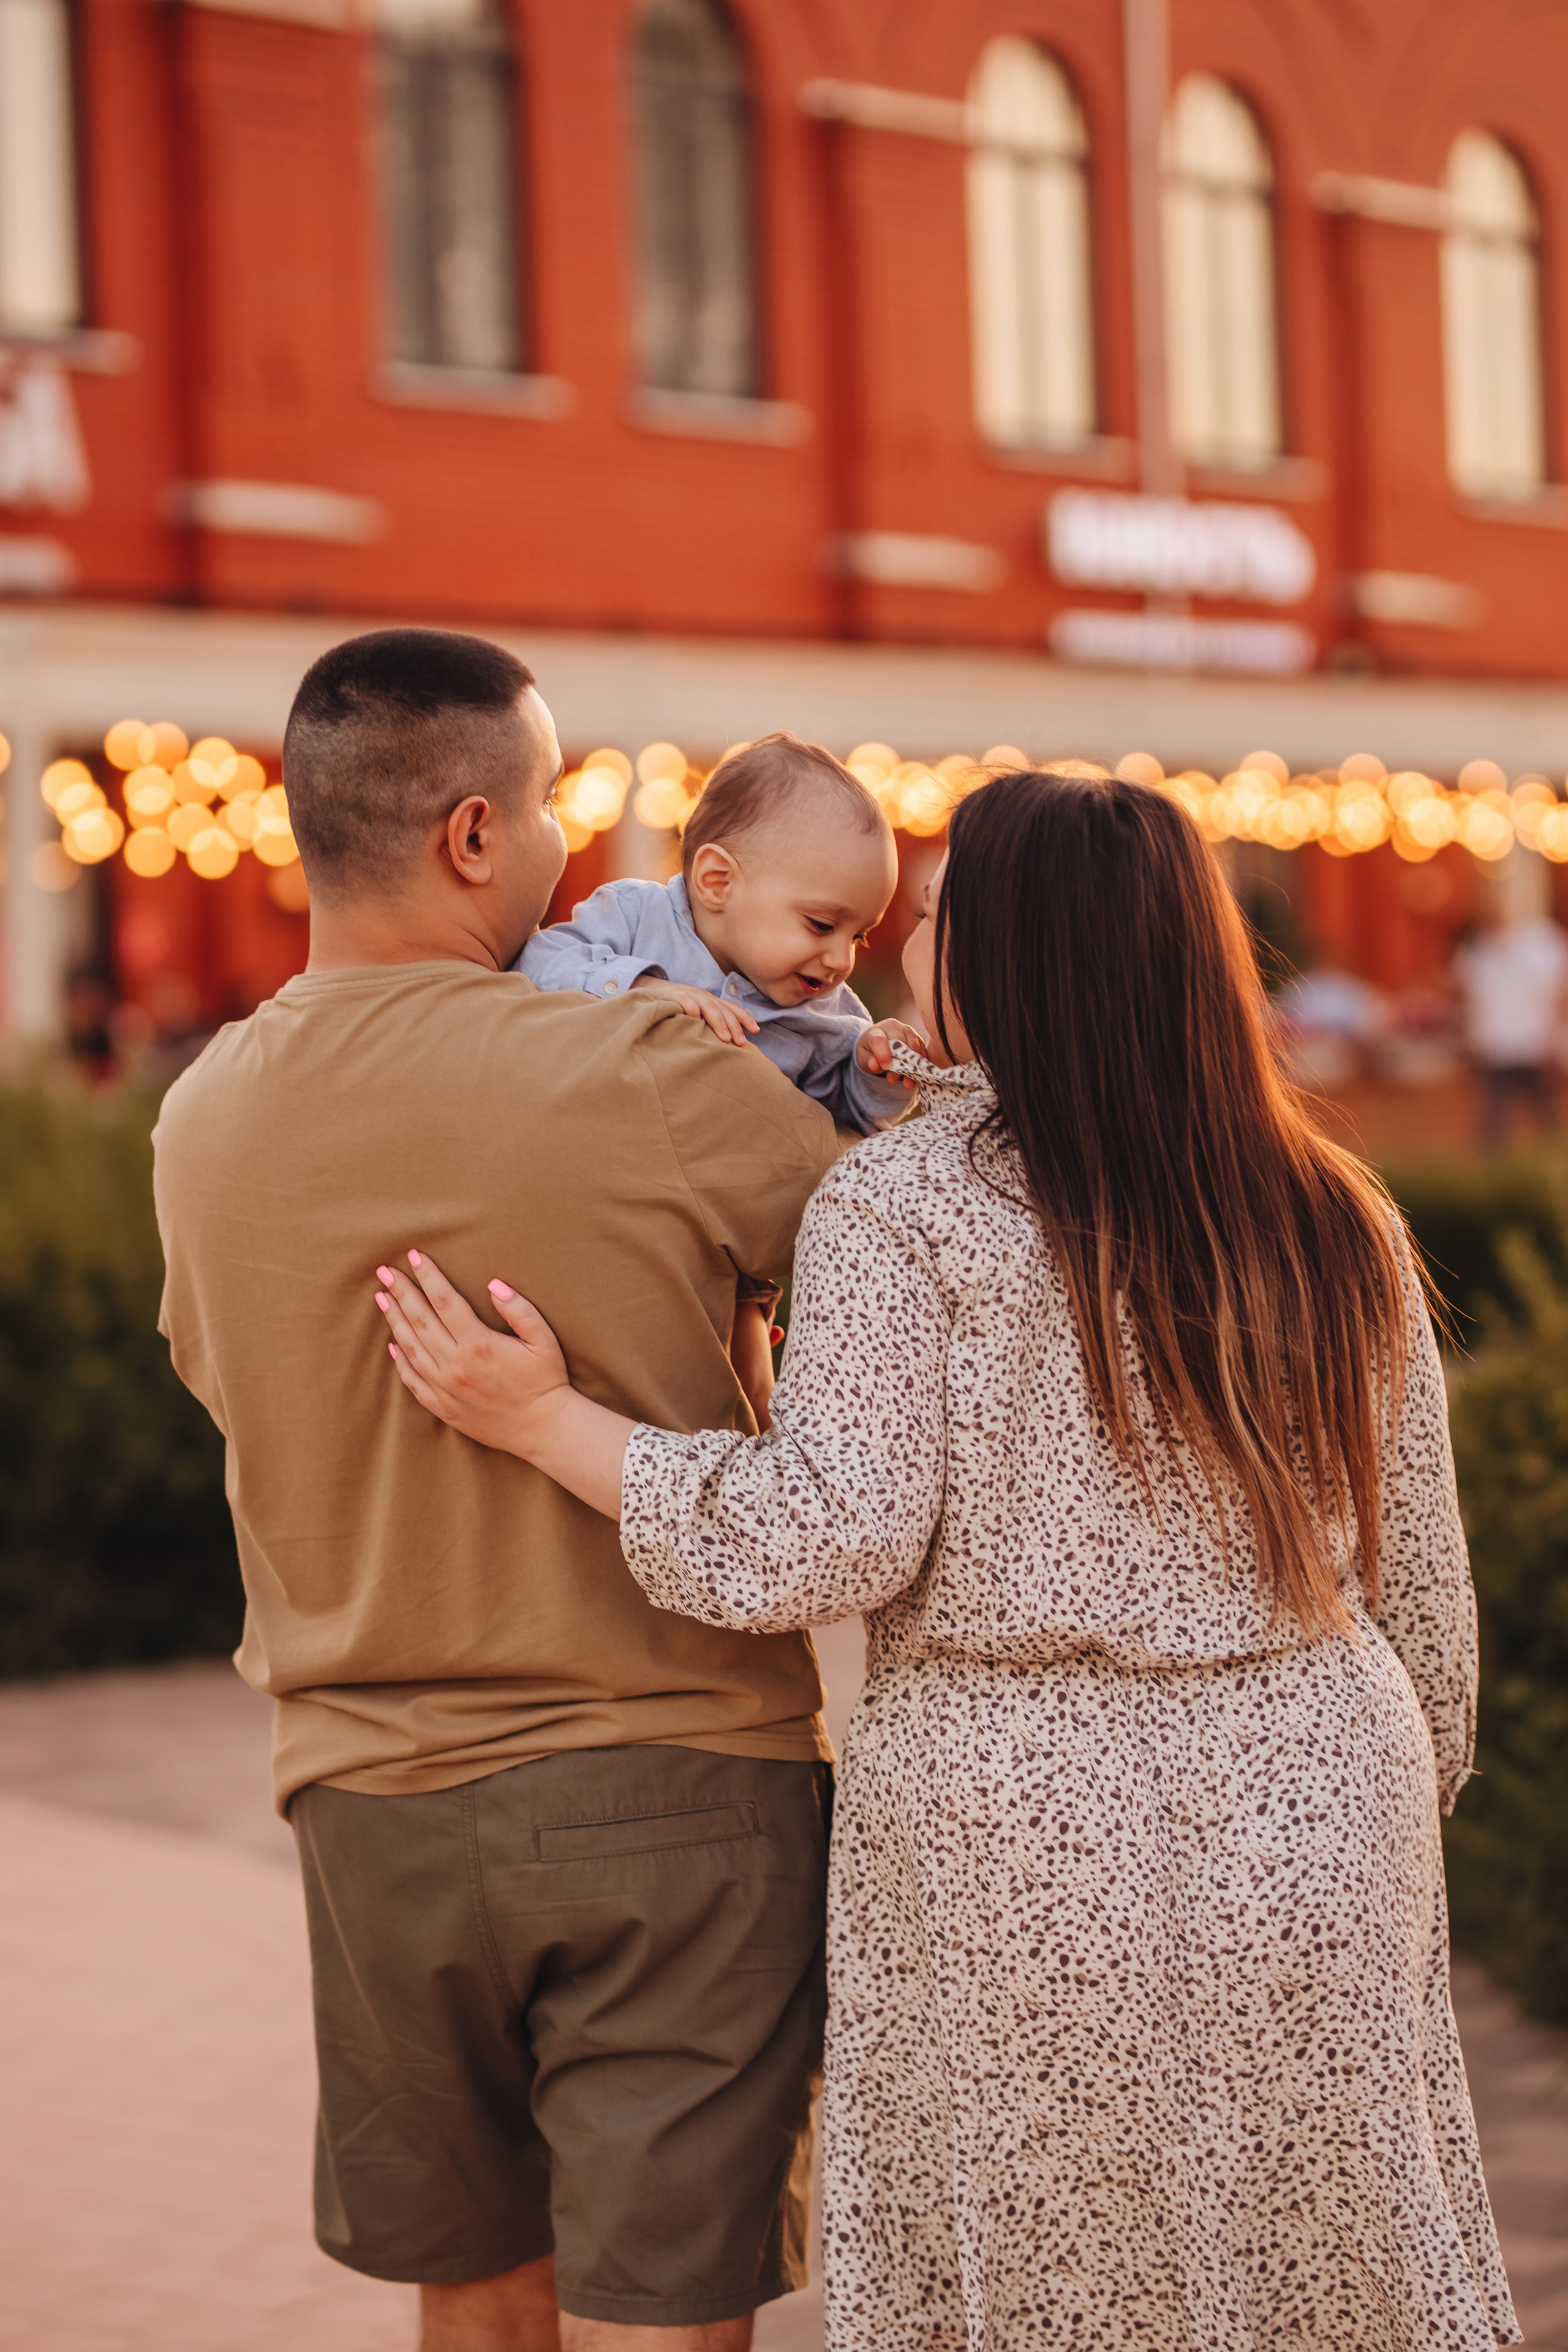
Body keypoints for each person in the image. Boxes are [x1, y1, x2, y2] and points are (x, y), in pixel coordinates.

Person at [375, 765, 1518, 2351]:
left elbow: (819, 1537)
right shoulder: (1340, 1215)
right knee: (1325, 2269)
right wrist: (1336, 1808)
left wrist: (548, 1420)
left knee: (1054, 2289)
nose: (908, 930)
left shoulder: (906, 1207)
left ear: (1012, 955)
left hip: (1016, 1837)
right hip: (1328, 1799)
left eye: (943, 908)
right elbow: (1433, 1633)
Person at [153, 627, 844, 2352]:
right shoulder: (663, 1070)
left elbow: (224, 1384)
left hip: (370, 1798)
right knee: (669, 2314)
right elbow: (910, 1309)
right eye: (553, 813)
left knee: (471, 2294)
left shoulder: (204, 1115)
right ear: (474, 835)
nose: (572, 859)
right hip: (677, 1785)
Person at [522, 731, 925, 1132]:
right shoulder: (635, 916)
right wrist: (641, 986)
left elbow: (855, 1119)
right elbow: (538, 965)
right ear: (717, 882)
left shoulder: (825, 1012)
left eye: (858, 937)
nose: (841, 961)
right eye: (821, 925)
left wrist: (876, 1069)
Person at [1452, 894, 1568, 1148]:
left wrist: (1552, 1032)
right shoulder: (1478, 951)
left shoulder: (1538, 943)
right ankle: (1500, 1156)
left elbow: (1557, 990)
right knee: (1500, 1106)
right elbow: (1469, 996)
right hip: (1498, 1042)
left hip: (1532, 1038)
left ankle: (1550, 1149)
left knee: (1541, 1102)